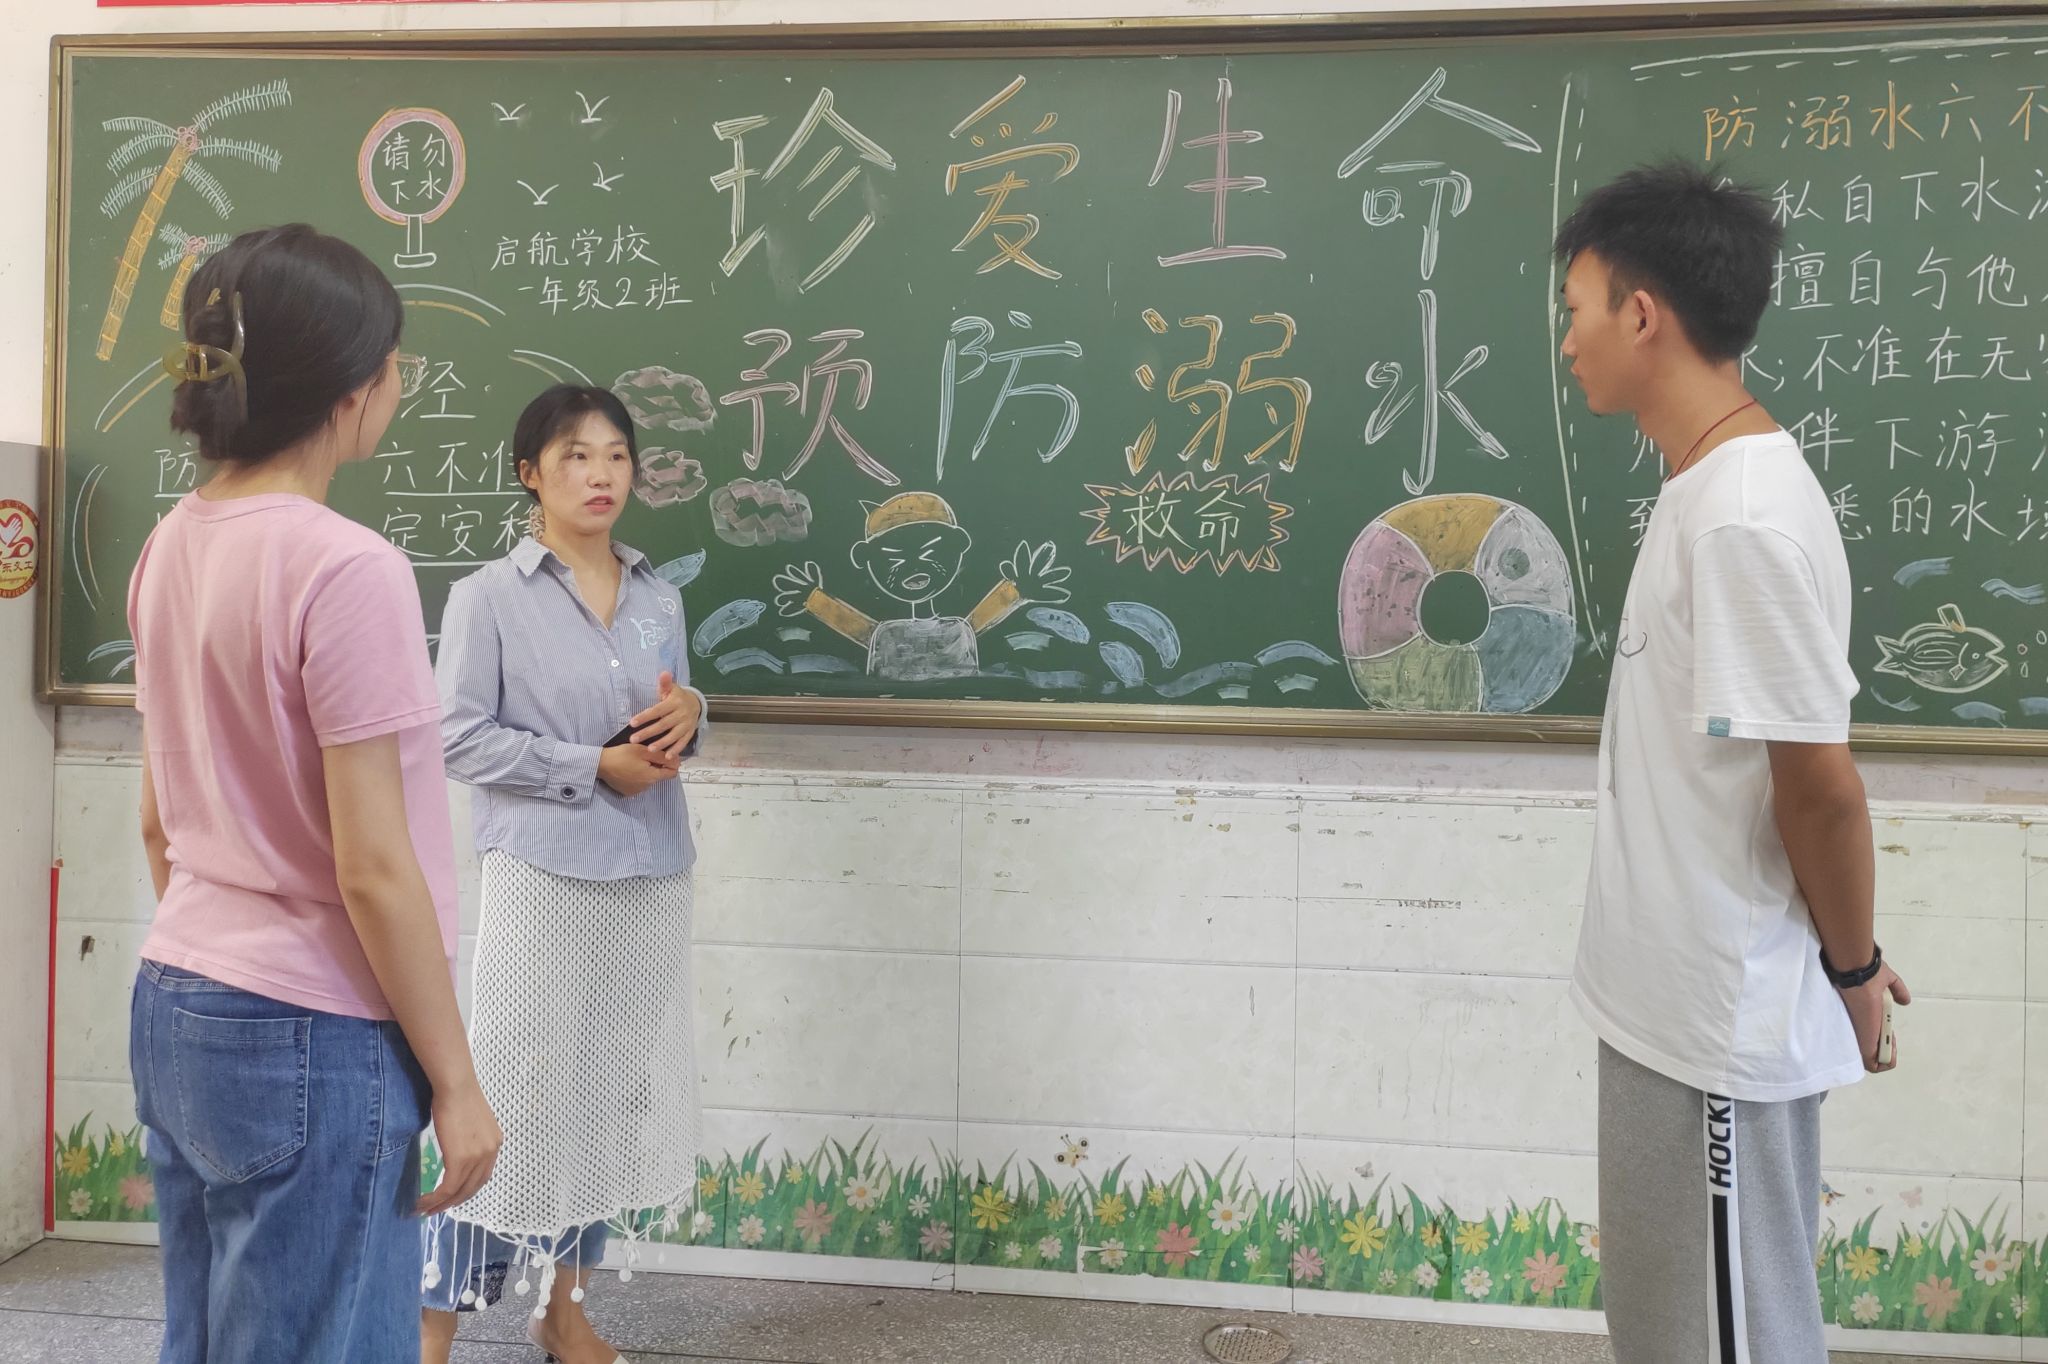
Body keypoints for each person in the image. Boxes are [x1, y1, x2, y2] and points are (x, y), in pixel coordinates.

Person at [1554, 163, 1912, 1362]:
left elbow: (1818, 785)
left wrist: (1850, 964)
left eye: (1575, 308)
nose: (1566, 340)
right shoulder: (1701, 485)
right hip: (1667, 1006)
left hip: (1715, 1021)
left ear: (1640, 314)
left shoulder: (1741, 516)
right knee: (1672, 1330)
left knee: (1728, 1339)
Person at [127, 224, 502, 1364]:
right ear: (351, 390)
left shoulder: (170, 541)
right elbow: (373, 866)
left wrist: (224, 945)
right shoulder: (347, 566)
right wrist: (457, 1083)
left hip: (177, 994)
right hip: (313, 1024)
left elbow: (158, 819)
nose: (399, 380)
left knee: (207, 1337)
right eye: (395, 361)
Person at [423, 385, 708, 1364]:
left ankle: (562, 1310)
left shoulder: (658, 595)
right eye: (576, 455)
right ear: (530, 474)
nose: (601, 474)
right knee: (510, 1096)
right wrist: (591, 766)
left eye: (617, 455)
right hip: (544, 875)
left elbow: (668, 713)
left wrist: (692, 714)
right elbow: (455, 736)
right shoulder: (489, 596)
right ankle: (431, 1322)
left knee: (607, 1096)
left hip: (649, 870)